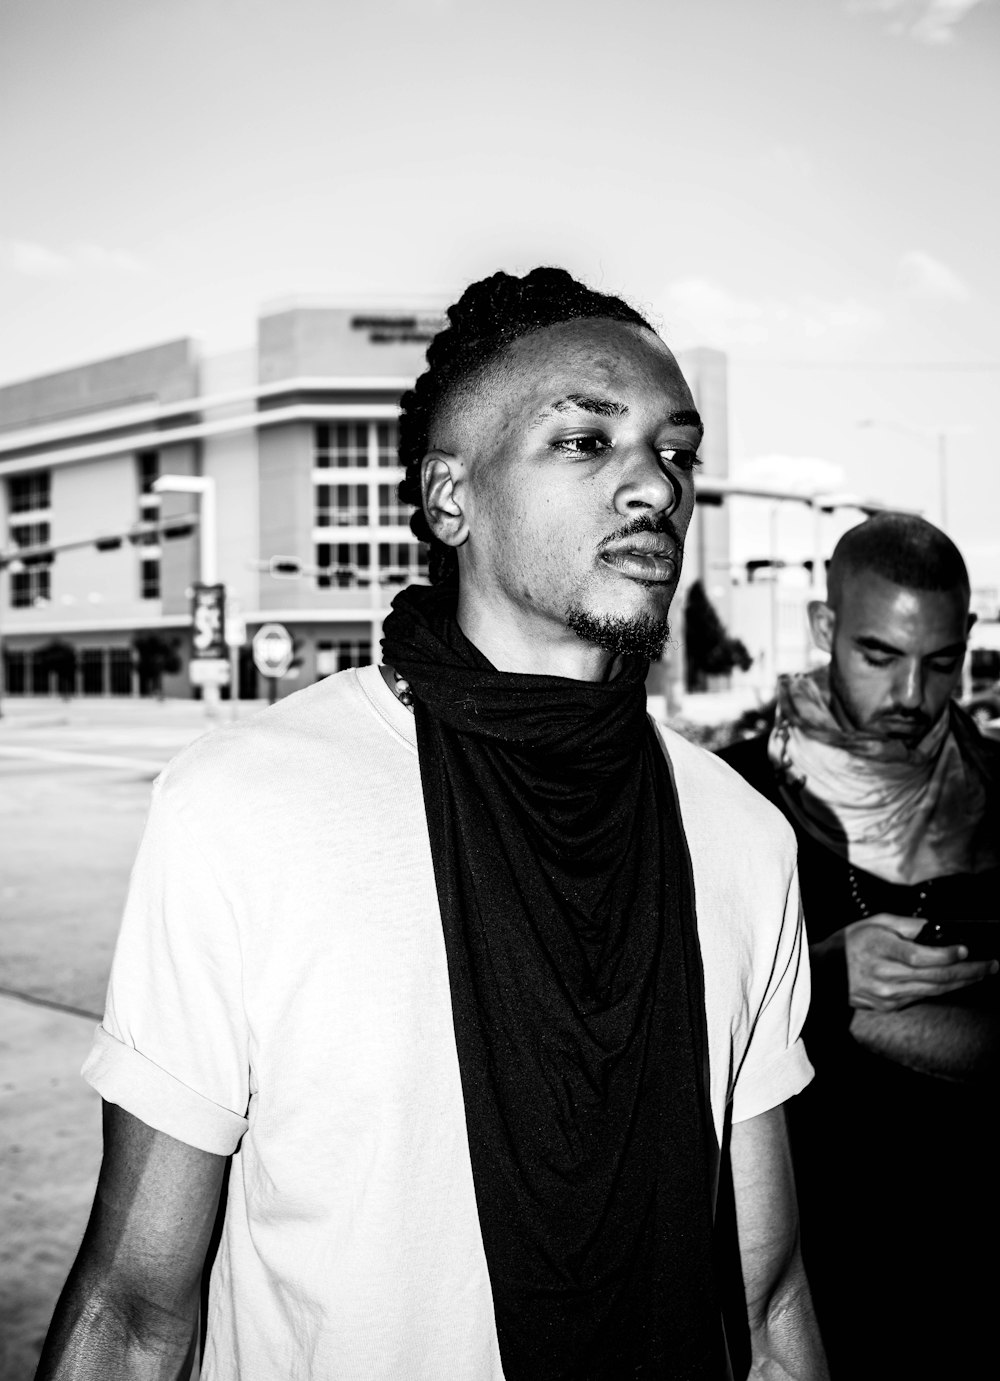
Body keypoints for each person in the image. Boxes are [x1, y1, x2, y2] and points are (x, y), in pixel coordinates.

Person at [38, 268, 827, 1381]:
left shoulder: (742, 837)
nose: (654, 484)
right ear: (448, 496)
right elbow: (131, 1306)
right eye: (585, 442)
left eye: (676, 451)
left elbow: (769, 1297)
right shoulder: (248, 806)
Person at [719, 512, 1000, 1380]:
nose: (912, 694)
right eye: (880, 655)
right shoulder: (734, 797)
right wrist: (830, 977)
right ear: (824, 629)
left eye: (941, 662)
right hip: (819, 1279)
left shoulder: (999, 792)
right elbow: (689, 1045)